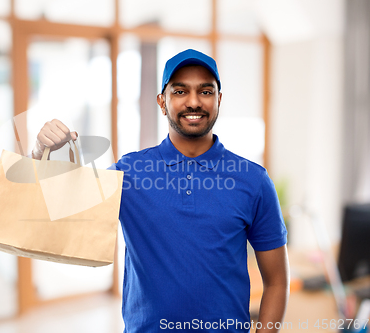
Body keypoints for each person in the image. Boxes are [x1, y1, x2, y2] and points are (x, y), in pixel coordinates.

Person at [31, 49, 289, 333]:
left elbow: (276, 281)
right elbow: (52, 209)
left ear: (219, 100)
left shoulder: (253, 180)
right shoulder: (128, 173)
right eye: (180, 91)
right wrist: (40, 153)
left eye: (205, 91)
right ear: (162, 102)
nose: (193, 102)